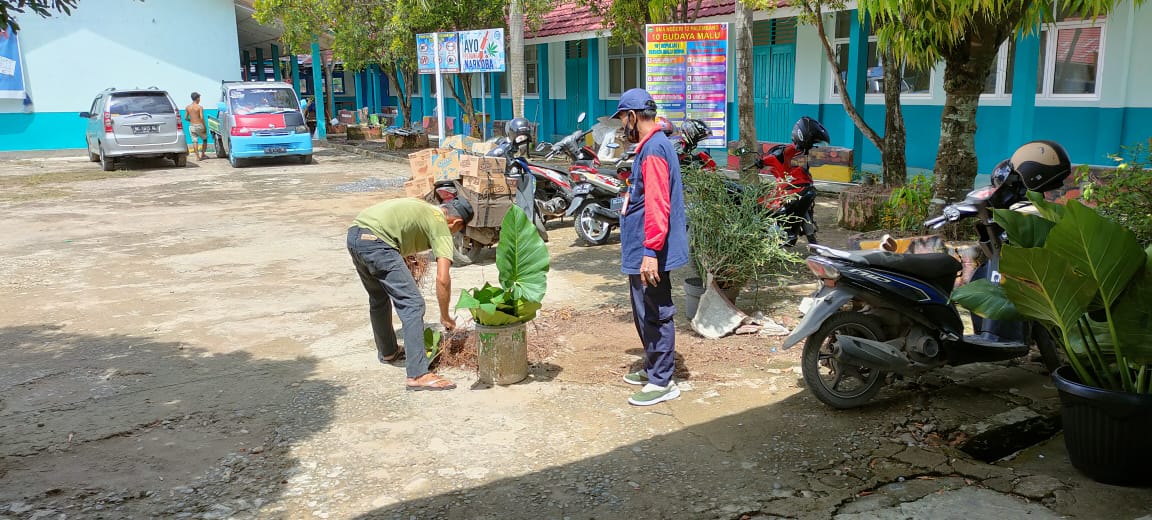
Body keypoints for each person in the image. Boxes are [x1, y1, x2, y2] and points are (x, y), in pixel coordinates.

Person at [347, 197, 474, 391]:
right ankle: (418, 374)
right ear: (455, 223)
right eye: (458, 231)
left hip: (355, 235)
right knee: (413, 304)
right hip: (379, 242)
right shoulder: (441, 224)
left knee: (378, 298)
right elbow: (443, 278)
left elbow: (399, 227)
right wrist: (445, 315)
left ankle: (388, 352)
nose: (455, 234)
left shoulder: (425, 209)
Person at [613, 88, 690, 406]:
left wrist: (649, 252)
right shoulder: (652, 146)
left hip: (650, 250)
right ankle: (654, 367)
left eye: (622, 120)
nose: (622, 127)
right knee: (645, 310)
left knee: (656, 312)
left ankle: (663, 380)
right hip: (644, 246)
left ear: (632, 116)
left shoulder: (655, 149)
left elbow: (658, 204)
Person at [184, 92, 208, 160]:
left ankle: (197, 157)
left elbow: (185, 118)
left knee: (194, 141)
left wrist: (191, 120)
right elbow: (201, 118)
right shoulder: (199, 107)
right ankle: (203, 154)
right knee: (205, 139)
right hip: (199, 125)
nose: (199, 99)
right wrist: (204, 127)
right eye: (199, 98)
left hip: (191, 126)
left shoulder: (188, 107)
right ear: (197, 98)